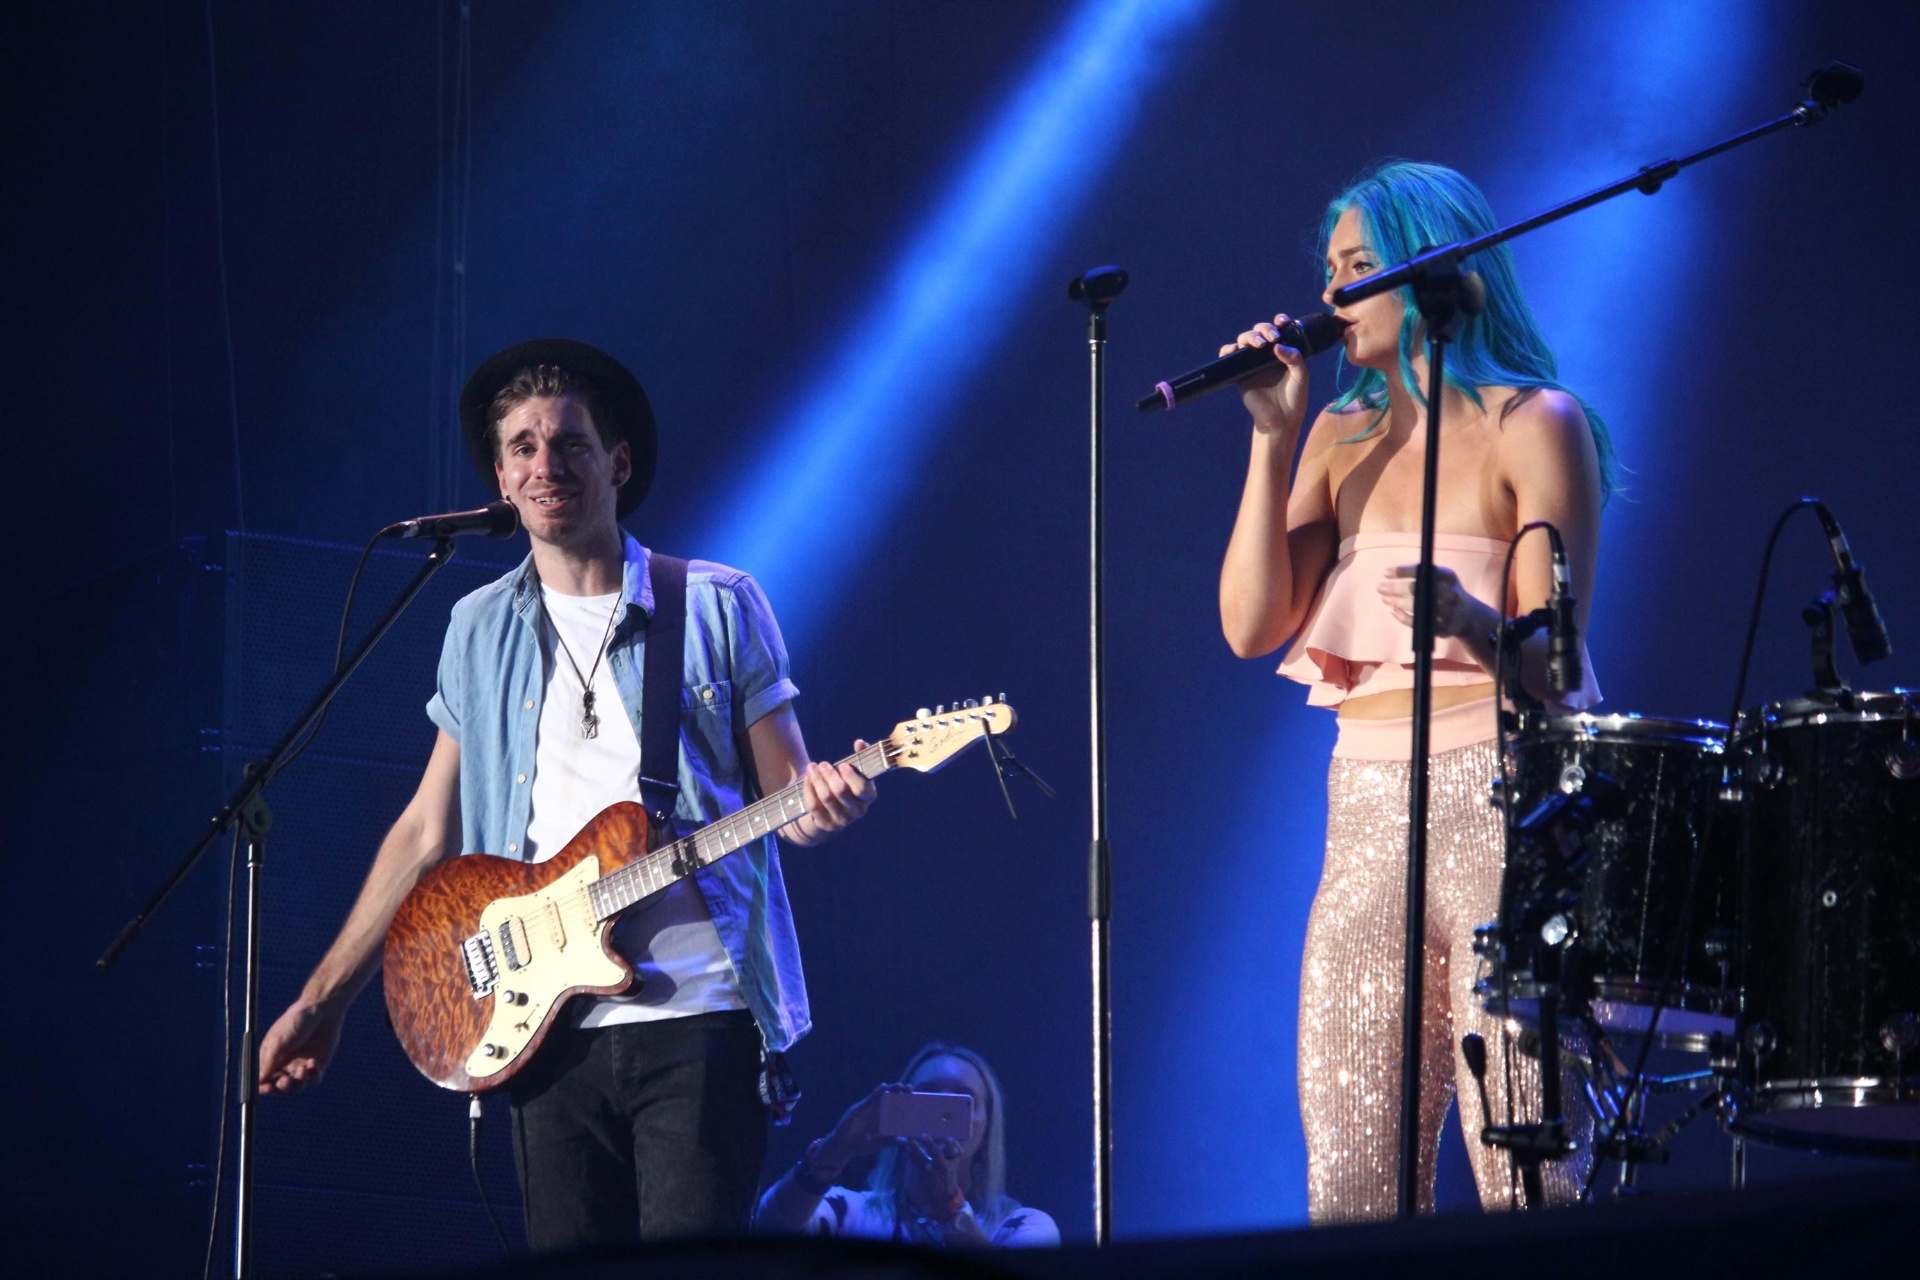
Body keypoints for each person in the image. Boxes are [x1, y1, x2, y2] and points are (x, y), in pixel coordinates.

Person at [254, 338, 877, 1249]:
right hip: (541, 1021)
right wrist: (321, 1001)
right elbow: (429, 828)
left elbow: (790, 790)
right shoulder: (476, 627)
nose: (546, 464)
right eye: (522, 448)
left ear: (616, 463)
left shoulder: (714, 603)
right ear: (501, 480)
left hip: (701, 1014)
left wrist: (828, 804)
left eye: (570, 444)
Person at [1216, 162, 1613, 1222]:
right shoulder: (1342, 433)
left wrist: (1473, 624)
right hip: (1365, 814)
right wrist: (1271, 437)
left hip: (1504, 808)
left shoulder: (1537, 422)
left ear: (1434, 267)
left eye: (1358, 267)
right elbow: (1253, 625)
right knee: (1350, 1182)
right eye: (1330, 269)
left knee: (1530, 1166)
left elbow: (1560, 667)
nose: (1333, 294)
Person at [753, 1043, 1058, 1247]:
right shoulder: (851, 1212)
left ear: (987, 1127)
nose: (941, 1114)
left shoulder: (1021, 1226)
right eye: (927, 1096)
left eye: (960, 1102)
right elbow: (769, 1233)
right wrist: (836, 1148)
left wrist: (949, 1207)